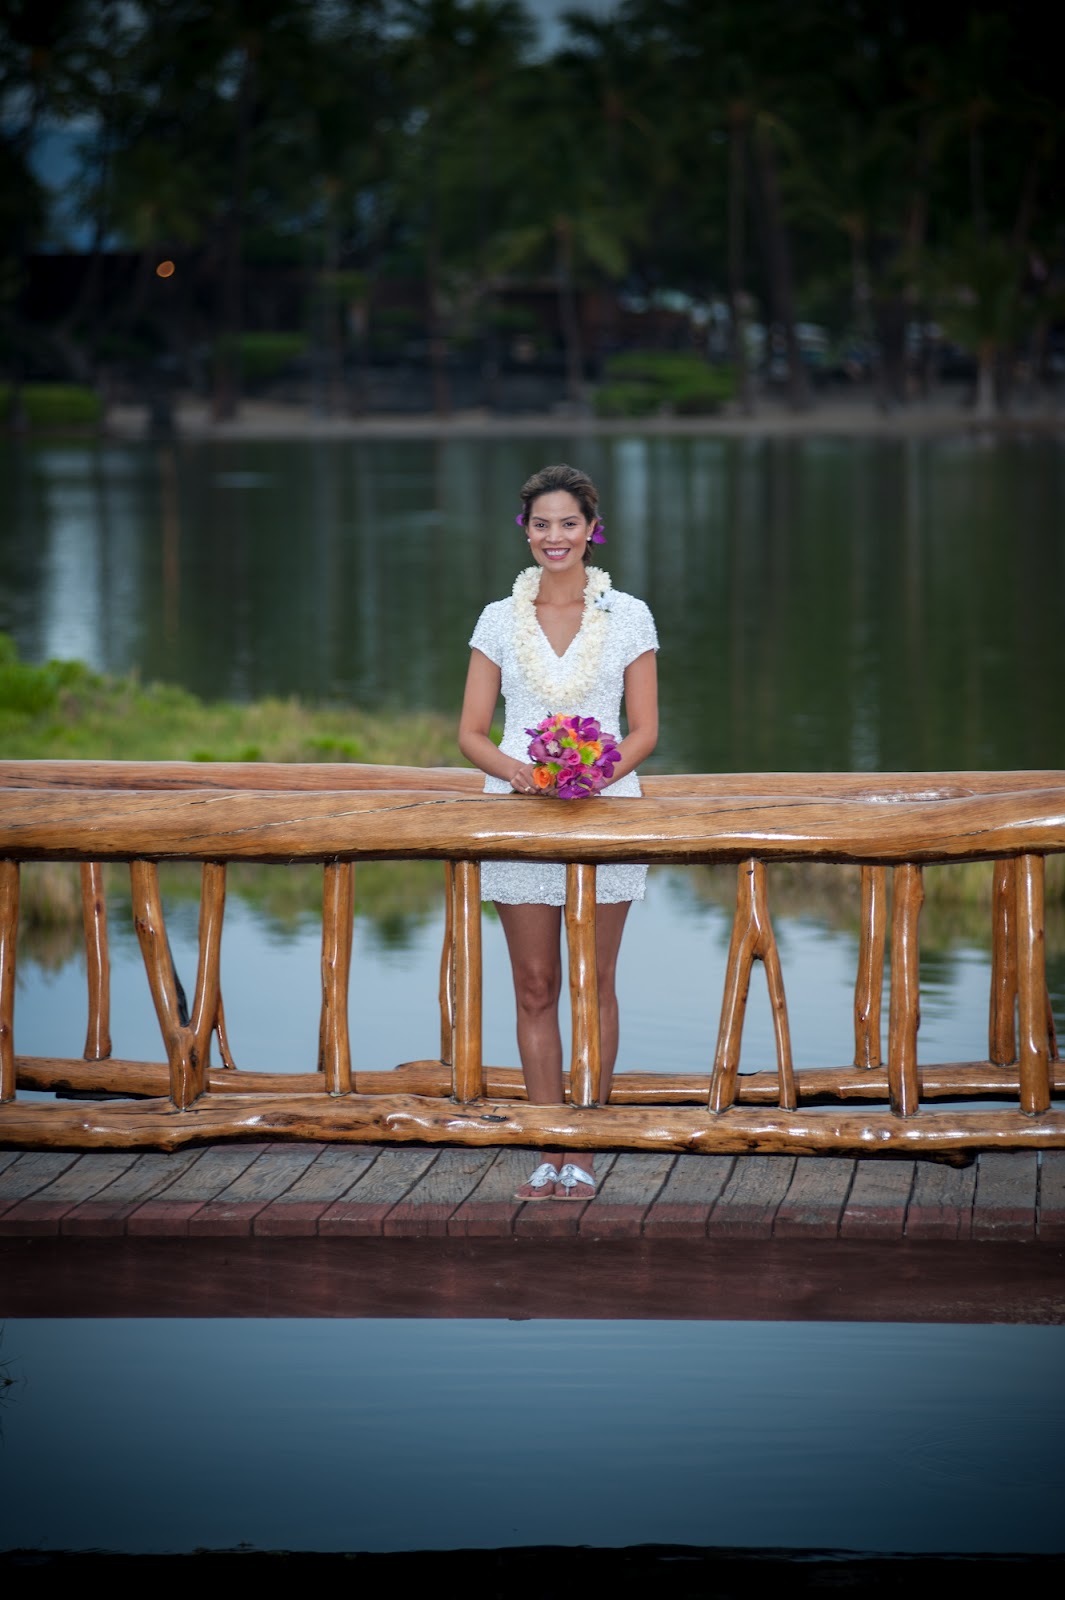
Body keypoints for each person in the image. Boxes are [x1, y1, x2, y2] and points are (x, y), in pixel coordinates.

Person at [458, 463, 659, 1201]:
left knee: (592, 981)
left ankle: (587, 1149)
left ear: (591, 530)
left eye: (568, 523)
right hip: (519, 813)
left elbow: (645, 730)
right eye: (541, 524)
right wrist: (520, 773)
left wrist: (597, 773)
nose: (555, 536)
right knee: (535, 984)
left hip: (607, 810)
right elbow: (471, 733)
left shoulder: (628, 616)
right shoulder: (496, 619)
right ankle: (548, 1148)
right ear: (526, 531)